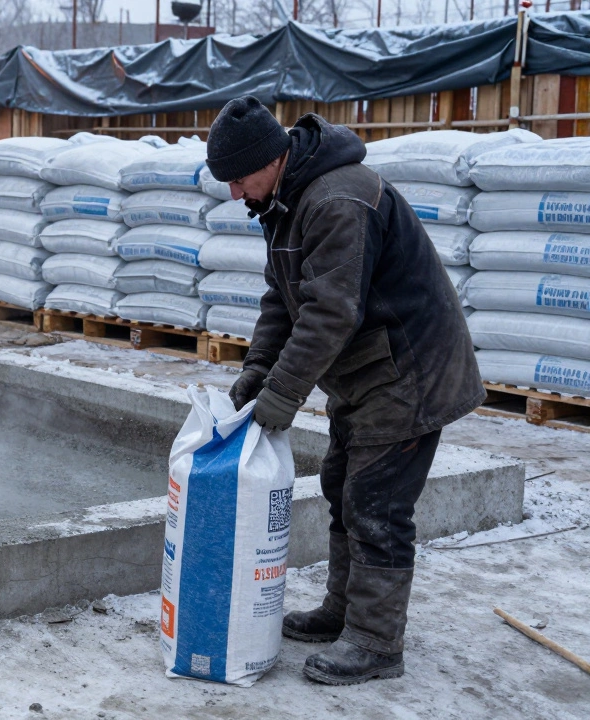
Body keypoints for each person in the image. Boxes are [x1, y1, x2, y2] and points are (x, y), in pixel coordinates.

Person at [204, 96, 484, 686]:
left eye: (236, 179)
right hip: (367, 371)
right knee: (342, 485)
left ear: (268, 159)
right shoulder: (284, 200)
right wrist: (258, 369)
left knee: (376, 503)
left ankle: (377, 642)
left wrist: (283, 394)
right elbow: (284, 298)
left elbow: (330, 313)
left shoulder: (336, 201)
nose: (234, 194)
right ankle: (344, 611)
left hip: (410, 371)